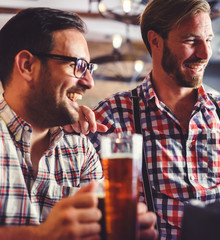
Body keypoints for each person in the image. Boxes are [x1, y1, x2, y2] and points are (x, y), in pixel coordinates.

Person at [81, 0, 220, 238]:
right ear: (156, 40)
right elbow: (84, 206)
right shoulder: (112, 117)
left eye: (208, 40)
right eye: (191, 41)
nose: (205, 53)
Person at [0, 7, 157, 240]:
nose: (89, 82)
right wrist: (42, 236)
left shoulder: (81, 150)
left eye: (89, 68)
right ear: (27, 66)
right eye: (79, 66)